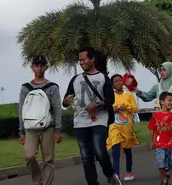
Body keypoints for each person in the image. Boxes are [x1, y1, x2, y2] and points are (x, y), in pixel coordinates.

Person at [63, 48, 121, 185]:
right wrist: (66, 101)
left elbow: (110, 100)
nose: (81, 63)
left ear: (92, 59)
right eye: (79, 60)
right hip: (80, 122)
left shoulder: (102, 78)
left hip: (99, 119)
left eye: (83, 59)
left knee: (99, 149)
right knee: (86, 155)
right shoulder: (75, 79)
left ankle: (110, 173)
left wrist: (98, 105)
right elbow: (66, 98)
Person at [135, 62, 172, 164]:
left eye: (164, 70)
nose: (162, 72)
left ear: (171, 71)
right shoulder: (157, 87)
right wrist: (138, 92)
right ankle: (169, 164)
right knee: (163, 140)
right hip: (161, 119)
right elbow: (148, 97)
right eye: (161, 70)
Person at [18, 55, 63, 185]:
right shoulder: (25, 88)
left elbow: (57, 109)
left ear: (46, 67)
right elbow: (22, 109)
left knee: (48, 160)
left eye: (42, 65)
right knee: (29, 156)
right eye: (37, 65)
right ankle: (37, 181)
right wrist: (21, 131)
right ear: (32, 67)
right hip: (30, 129)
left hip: (48, 128)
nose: (39, 68)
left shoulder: (52, 87)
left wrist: (58, 129)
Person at [106, 74, 140, 182]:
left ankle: (129, 171)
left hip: (126, 126)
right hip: (114, 125)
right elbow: (107, 109)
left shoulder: (128, 95)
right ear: (113, 85)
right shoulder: (110, 95)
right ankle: (116, 175)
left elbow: (135, 109)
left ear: (123, 82)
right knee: (115, 148)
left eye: (119, 80)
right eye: (115, 81)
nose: (118, 83)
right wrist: (114, 109)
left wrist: (127, 107)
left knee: (127, 149)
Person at [149, 92, 172, 185]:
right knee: (161, 164)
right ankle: (164, 178)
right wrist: (151, 141)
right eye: (169, 100)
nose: (171, 103)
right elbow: (152, 129)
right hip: (160, 145)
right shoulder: (155, 116)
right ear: (162, 102)